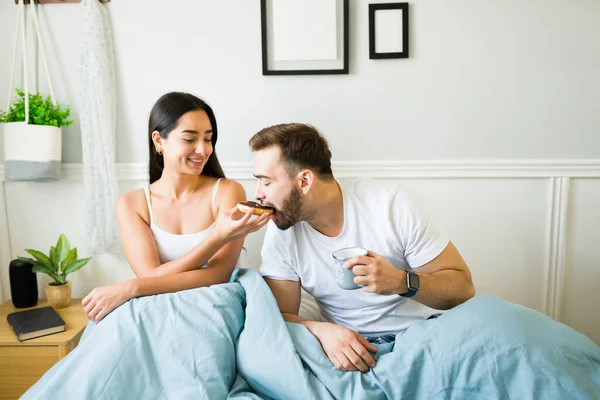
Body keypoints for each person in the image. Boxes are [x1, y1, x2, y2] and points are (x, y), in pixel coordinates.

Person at [250, 123, 475, 373]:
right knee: (256, 358)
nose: (258, 194)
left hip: (423, 336)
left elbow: (462, 289)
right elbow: (279, 314)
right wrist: (321, 330)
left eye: (266, 182)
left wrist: (402, 281)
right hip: (350, 348)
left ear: (304, 181)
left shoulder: (390, 204)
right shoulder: (282, 229)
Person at [82, 92, 270, 322]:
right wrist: (138, 285)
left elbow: (219, 274)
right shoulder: (133, 205)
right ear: (159, 140)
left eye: (208, 138)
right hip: (157, 307)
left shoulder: (227, 192)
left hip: (215, 305)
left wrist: (131, 288)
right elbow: (148, 277)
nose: (203, 149)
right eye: (190, 139)